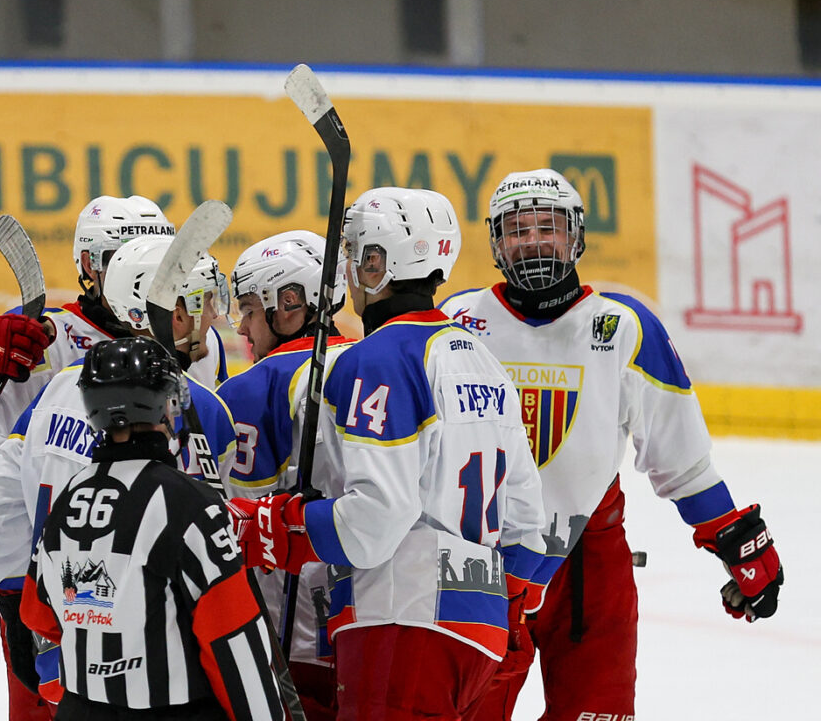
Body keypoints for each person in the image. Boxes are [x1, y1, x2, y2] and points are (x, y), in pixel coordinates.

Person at [439, 168, 785, 721]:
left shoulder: (624, 327)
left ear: (576, 235)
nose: (532, 241)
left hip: (587, 563)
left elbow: (683, 459)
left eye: (547, 226)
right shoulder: (454, 319)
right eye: (518, 229)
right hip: (477, 558)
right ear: (496, 241)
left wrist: (734, 536)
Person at [229, 187, 546, 720]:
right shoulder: (480, 359)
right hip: (480, 636)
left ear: (380, 262)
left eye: (358, 254)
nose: (350, 269)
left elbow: (376, 518)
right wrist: (489, 603)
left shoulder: (378, 358)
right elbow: (527, 520)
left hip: (403, 623)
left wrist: (280, 525)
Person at [0, 195, 176, 721]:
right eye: (125, 257)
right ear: (88, 267)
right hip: (57, 596)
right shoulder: (44, 341)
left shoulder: (197, 338)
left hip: (165, 580)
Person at [0, 235, 237, 708]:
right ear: (170, 312)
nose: (214, 316)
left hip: (64, 643)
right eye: (203, 302)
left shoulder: (56, 389)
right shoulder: (195, 408)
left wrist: (17, 611)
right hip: (156, 664)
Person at [20, 336, 284, 721]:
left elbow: (38, 612)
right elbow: (234, 639)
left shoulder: (67, 499)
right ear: (162, 407)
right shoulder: (191, 504)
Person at [217, 230, 354, 719]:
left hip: (290, 638)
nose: (241, 328)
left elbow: (234, 522)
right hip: (371, 622)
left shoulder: (253, 387)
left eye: (250, 309)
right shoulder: (372, 362)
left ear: (290, 303)